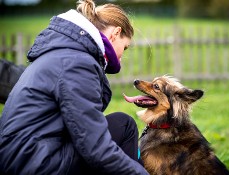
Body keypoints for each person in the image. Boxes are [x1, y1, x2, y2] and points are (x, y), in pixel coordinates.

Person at [0, 0, 149, 174]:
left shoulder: (65, 52)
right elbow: (97, 149)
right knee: (124, 126)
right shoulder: (78, 63)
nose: (122, 57)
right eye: (125, 47)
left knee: (120, 124)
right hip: (33, 164)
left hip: (22, 157)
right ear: (116, 33)